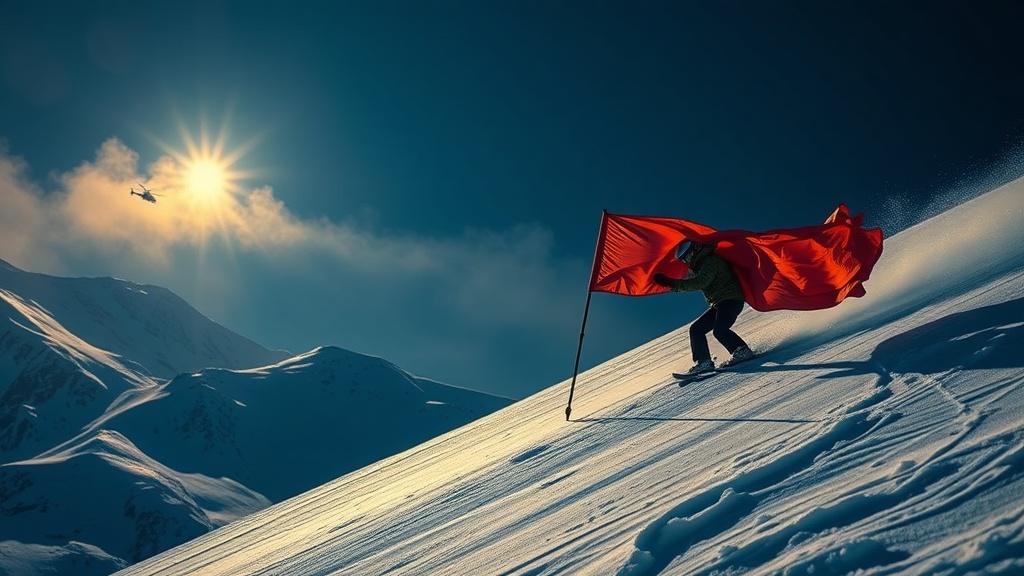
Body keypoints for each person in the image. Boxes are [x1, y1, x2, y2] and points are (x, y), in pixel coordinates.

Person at [654, 240, 755, 375]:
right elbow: (690, 281)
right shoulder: (700, 266)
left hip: (730, 300)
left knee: (720, 330)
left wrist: (671, 282)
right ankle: (704, 362)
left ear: (694, 251)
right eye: (684, 260)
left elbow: (699, 282)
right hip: (720, 303)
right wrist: (669, 283)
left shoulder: (710, 261)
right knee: (696, 329)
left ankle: (742, 351)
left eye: (687, 257)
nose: (687, 261)